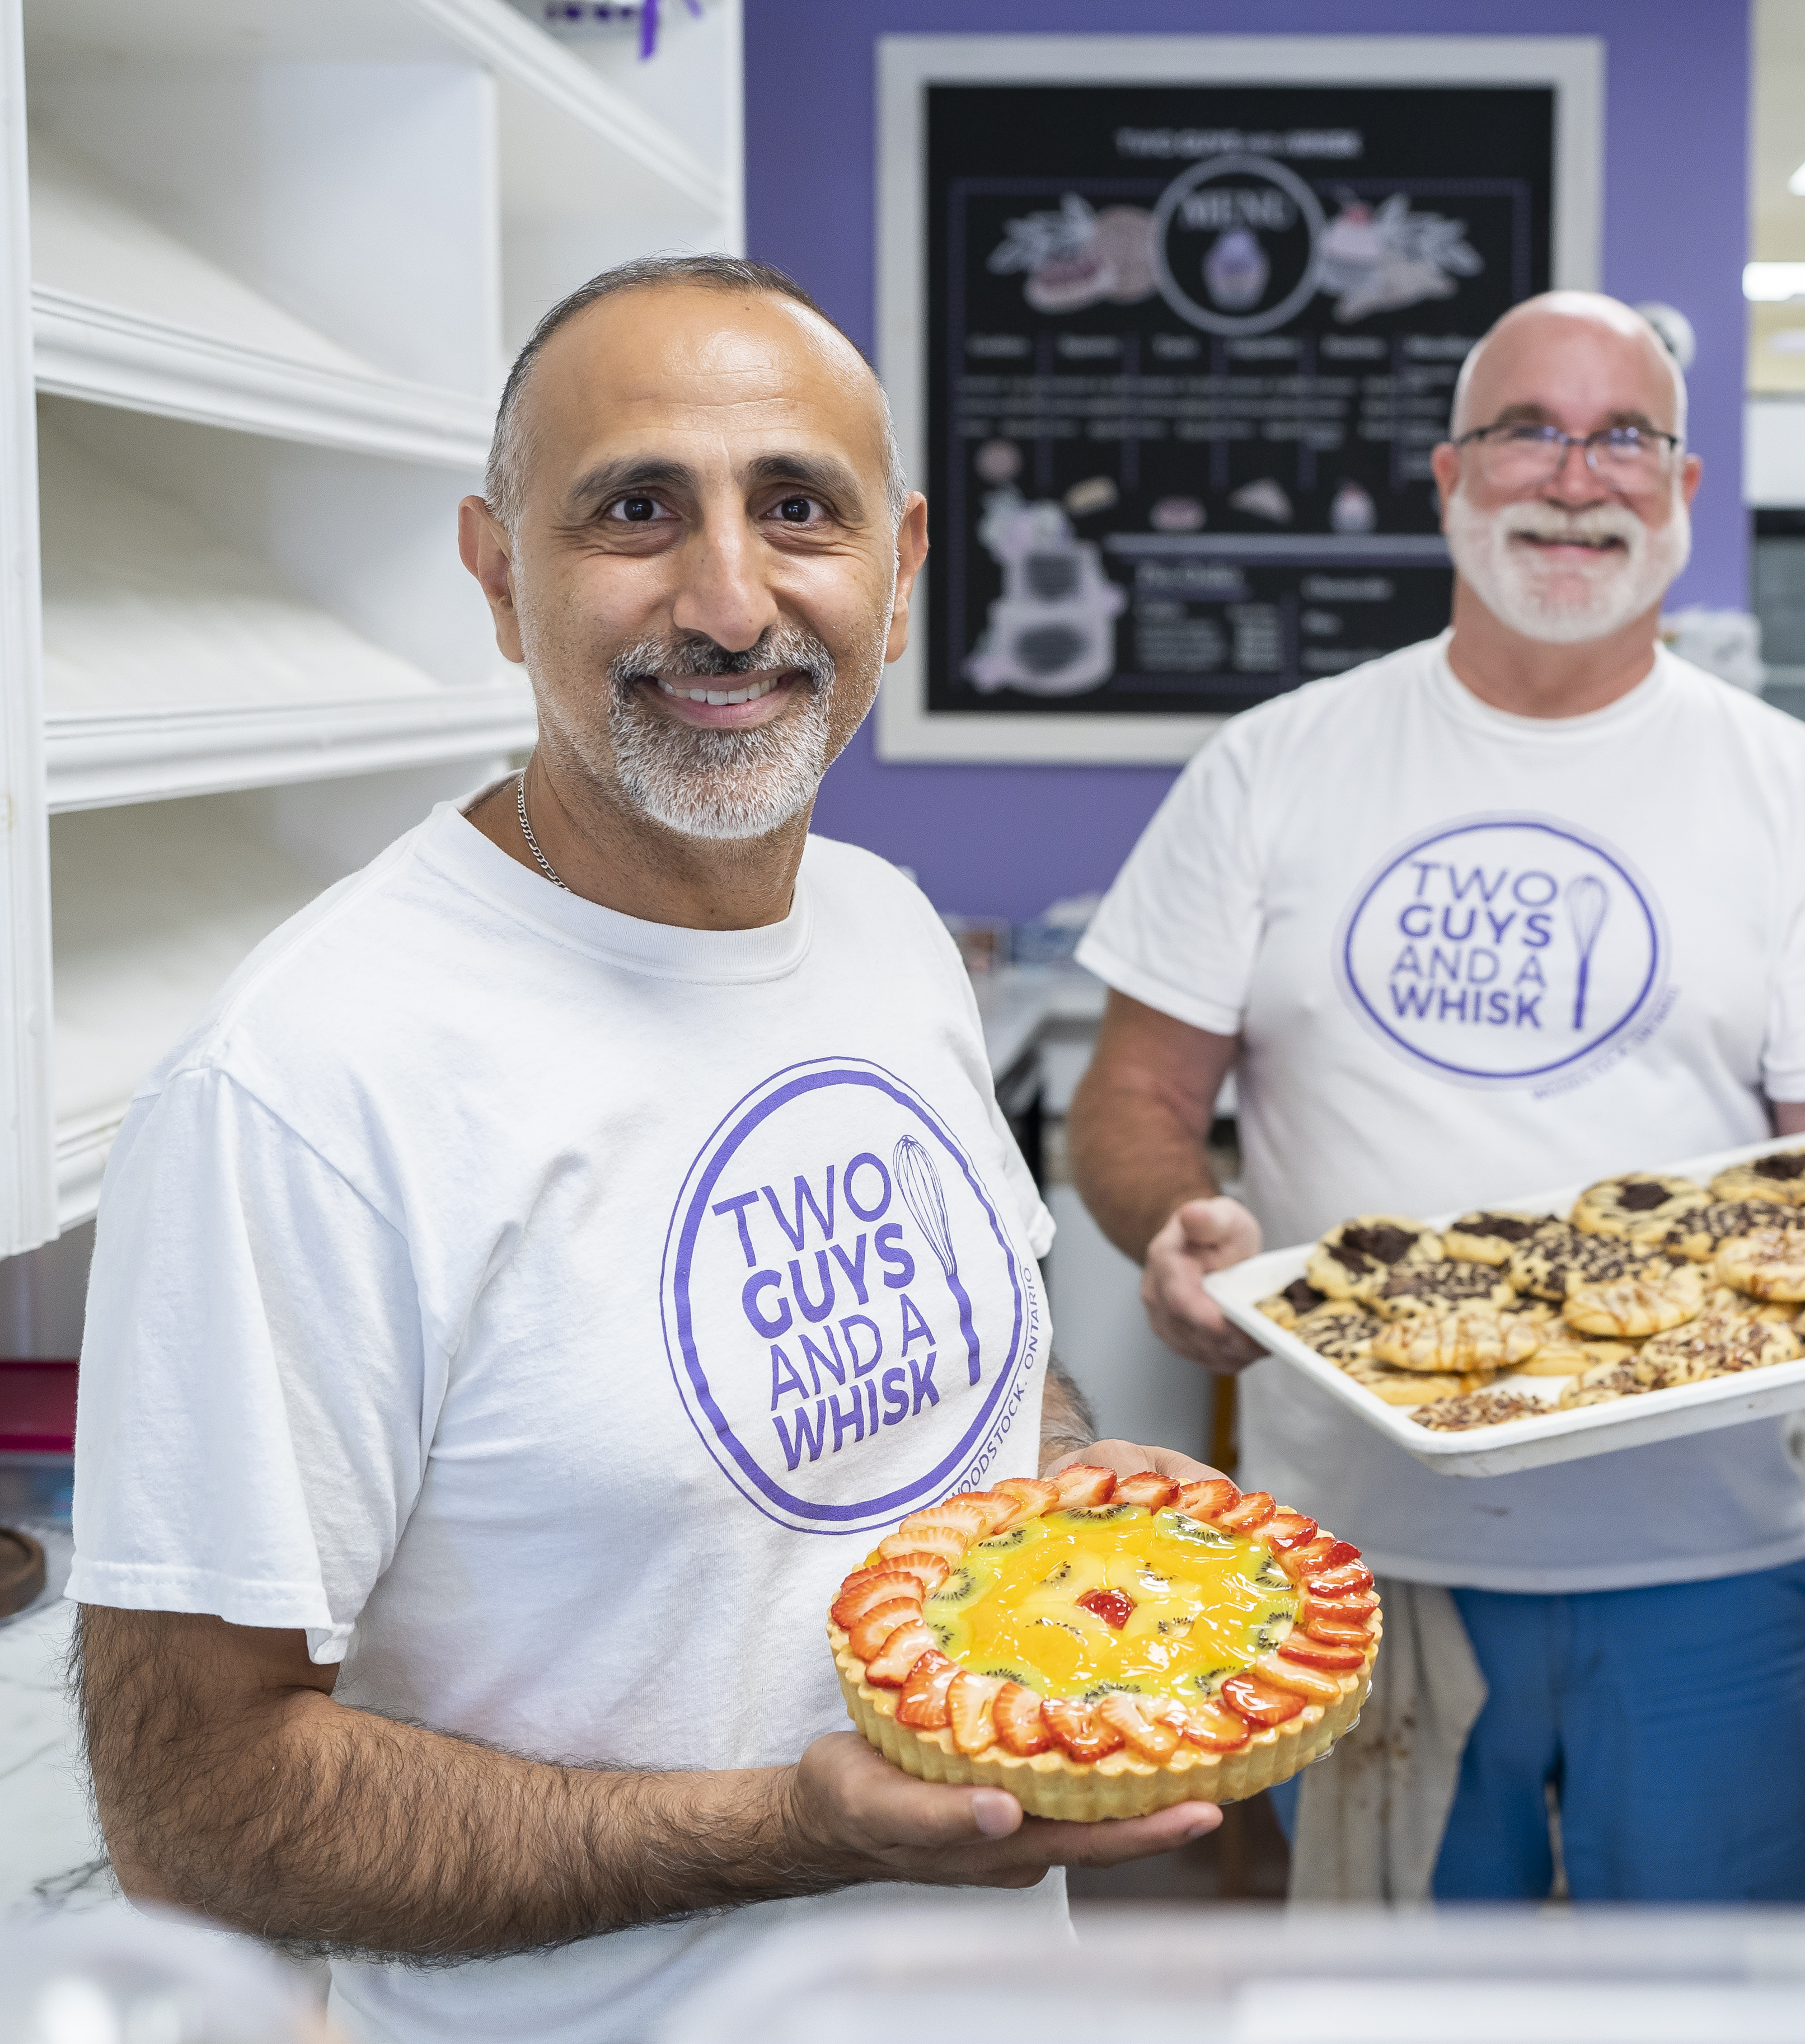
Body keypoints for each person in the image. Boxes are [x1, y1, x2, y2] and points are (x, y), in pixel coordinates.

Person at [67, 256, 1219, 2044]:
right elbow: (193, 1817)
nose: (731, 596)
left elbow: (979, 1370)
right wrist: (789, 1831)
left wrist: (1084, 1508)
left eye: (796, 509)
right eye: (633, 510)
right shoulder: (309, 1087)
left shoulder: (886, 930)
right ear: (495, 575)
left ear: (901, 572)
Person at [1068, 290, 1805, 1901]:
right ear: (1448, 477)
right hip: (1352, 1544)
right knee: (1384, 2005)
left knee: (1715, 2015)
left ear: (1686, 492)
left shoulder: (1802, 802)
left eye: (1626, 434)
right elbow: (1130, 1099)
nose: (1577, 477)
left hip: (1700, 1553)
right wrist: (1179, 1223)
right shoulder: (1275, 766)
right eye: (1528, 432)